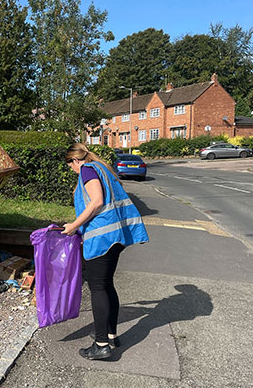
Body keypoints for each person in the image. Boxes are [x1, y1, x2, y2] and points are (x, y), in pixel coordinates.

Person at [61, 143, 149, 360]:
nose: (71, 169)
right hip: (117, 236)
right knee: (107, 285)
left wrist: (73, 226)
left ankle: (101, 344)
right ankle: (110, 334)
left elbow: (97, 202)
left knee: (98, 287)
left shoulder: (87, 170)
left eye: (69, 164)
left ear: (74, 160)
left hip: (103, 238)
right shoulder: (102, 168)